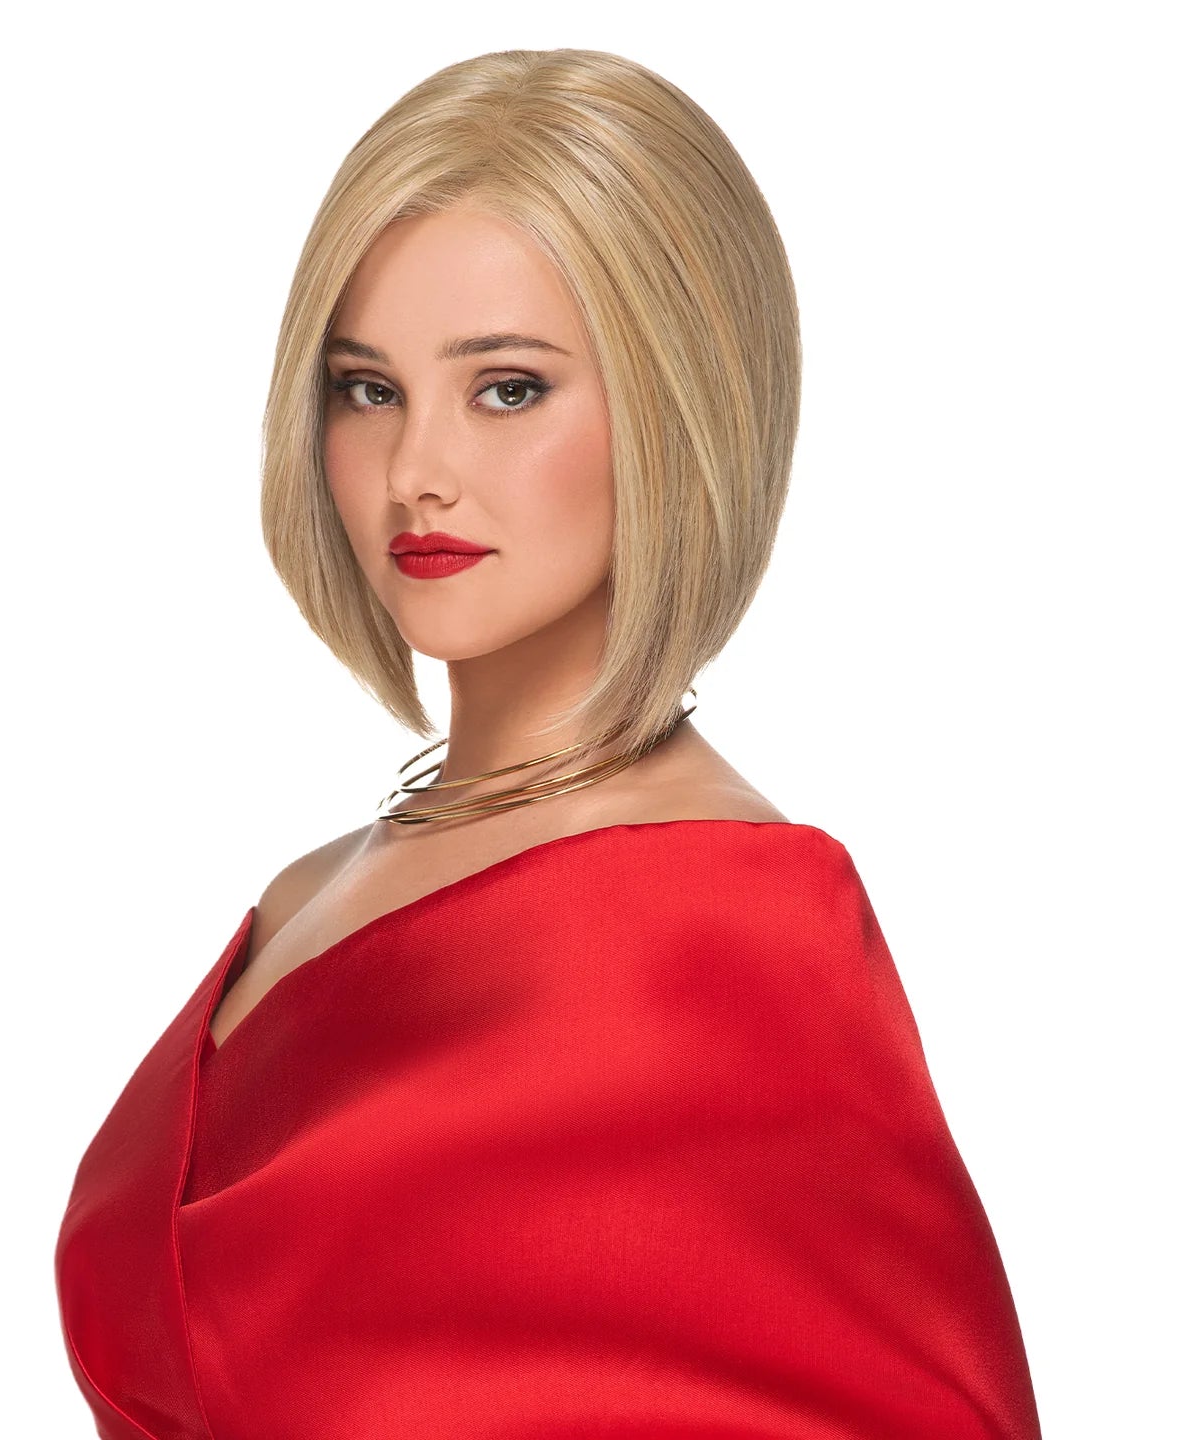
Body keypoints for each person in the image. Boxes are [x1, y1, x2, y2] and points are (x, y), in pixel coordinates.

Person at [54, 47, 1043, 1438]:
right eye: (367, 389)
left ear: (681, 403)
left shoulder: (723, 933)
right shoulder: (307, 891)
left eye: (507, 389)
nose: (417, 473)